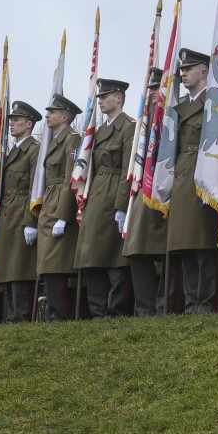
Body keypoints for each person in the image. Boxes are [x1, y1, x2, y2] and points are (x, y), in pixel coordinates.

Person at [74, 79, 134, 318]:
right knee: (93, 256)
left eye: (105, 96)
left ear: (118, 98)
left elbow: (127, 169)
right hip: (97, 193)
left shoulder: (130, 127)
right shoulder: (97, 133)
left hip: (113, 194)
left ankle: (114, 309)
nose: (100, 100)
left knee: (114, 257)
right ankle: (97, 310)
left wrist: (121, 205)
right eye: (99, 96)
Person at [168, 48, 218, 313]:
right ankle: (192, 302)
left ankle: (206, 301)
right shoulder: (177, 110)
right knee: (186, 246)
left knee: (203, 244)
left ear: (203, 72)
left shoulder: (214, 104)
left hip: (203, 173)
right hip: (181, 176)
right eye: (181, 70)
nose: (183, 74)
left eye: (188, 69)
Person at [122, 68, 169, 316]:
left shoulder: (175, 114)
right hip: (143, 191)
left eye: (157, 87)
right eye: (150, 88)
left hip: (168, 191)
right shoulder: (143, 124)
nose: (152, 92)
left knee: (167, 251)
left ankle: (163, 305)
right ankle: (145, 307)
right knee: (136, 250)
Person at [36, 94, 82, 321]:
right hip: (50, 202)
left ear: (64, 116)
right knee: (48, 265)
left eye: (52, 112)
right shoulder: (56, 140)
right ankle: (53, 313)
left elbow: (70, 179)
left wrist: (64, 215)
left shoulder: (72, 139)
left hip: (59, 205)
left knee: (57, 265)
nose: (47, 116)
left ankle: (61, 315)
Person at [0, 101, 41, 323]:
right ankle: (10, 316)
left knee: (20, 268)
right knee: (8, 268)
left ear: (29, 124)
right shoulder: (10, 151)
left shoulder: (34, 149)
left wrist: (31, 221)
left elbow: (35, 186)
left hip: (21, 212)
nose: (11, 124)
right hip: (7, 214)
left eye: (17, 120)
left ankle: (21, 317)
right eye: (11, 120)